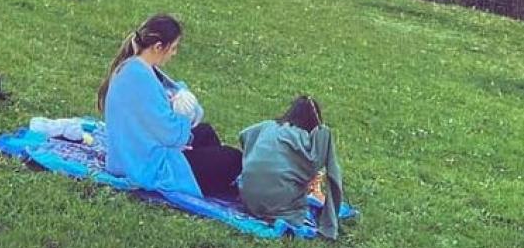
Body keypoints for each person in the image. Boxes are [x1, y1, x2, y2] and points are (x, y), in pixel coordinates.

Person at [97, 14, 242, 197]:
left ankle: (213, 182)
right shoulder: (139, 77)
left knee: (205, 132)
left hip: (136, 150)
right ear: (158, 47)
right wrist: (182, 114)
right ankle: (211, 184)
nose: (174, 54)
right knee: (233, 157)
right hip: (142, 164)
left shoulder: (136, 68)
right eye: (173, 48)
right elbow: (168, 133)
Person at [237, 96, 345, 239]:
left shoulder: (266, 127)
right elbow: (316, 166)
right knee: (295, 204)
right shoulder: (307, 142)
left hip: (248, 201)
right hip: (280, 207)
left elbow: (244, 135)